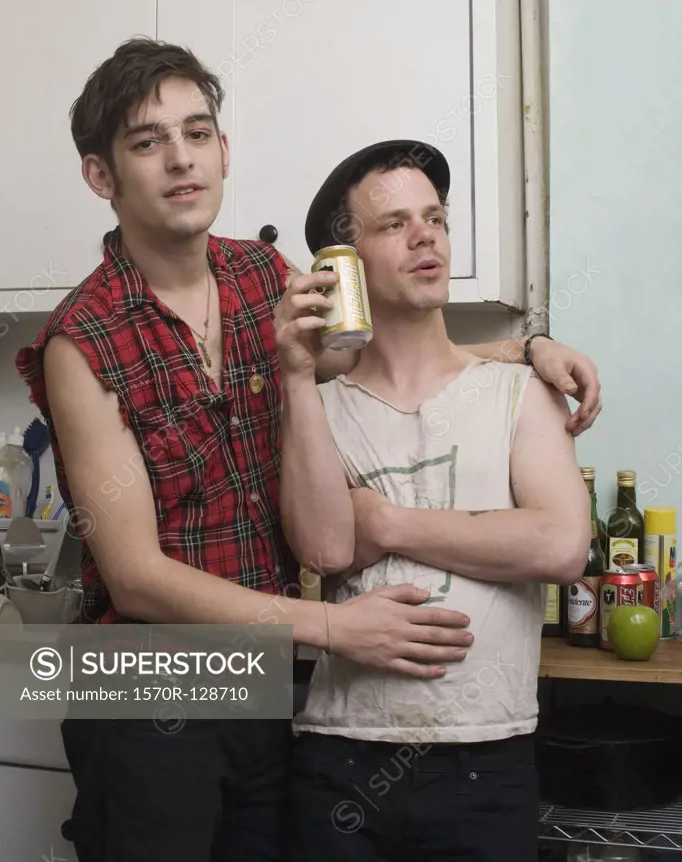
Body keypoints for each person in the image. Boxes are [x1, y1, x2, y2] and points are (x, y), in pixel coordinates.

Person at [15, 42, 597, 862]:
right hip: (143, 679)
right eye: (148, 142)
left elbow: (380, 359)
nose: (182, 158)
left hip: (260, 681)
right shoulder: (85, 338)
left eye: (199, 132)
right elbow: (138, 578)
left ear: (223, 148)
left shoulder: (264, 280)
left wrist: (528, 350)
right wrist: (333, 626)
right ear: (101, 177)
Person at [277, 139, 594, 862]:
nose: (426, 236)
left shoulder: (522, 392)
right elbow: (326, 548)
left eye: (436, 218)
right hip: (340, 758)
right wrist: (296, 375)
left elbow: (559, 546)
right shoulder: (319, 409)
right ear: (344, 264)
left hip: (487, 762)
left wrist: (385, 521)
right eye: (394, 224)